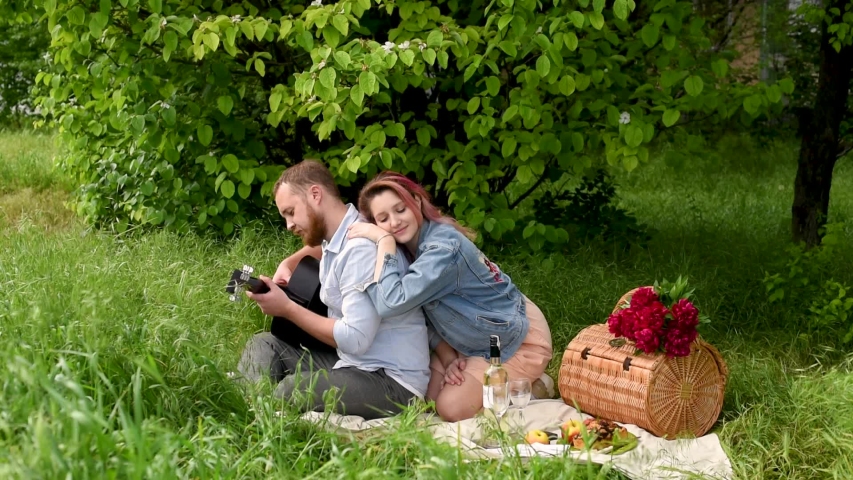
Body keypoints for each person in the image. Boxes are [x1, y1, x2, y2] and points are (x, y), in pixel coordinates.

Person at [347, 171, 554, 422]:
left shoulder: (440, 249)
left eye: (400, 209)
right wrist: (448, 357)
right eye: (383, 219)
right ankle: (484, 374)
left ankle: (534, 386)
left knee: (450, 408)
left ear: (417, 200)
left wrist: (383, 241)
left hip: (515, 336)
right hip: (476, 330)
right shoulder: (412, 244)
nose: (394, 222)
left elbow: (390, 303)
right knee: (427, 397)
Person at [236, 160, 431, 420]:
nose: (289, 224)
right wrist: (288, 264)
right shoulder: (337, 237)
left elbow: (355, 339)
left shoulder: (360, 248)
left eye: (291, 212)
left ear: (315, 195)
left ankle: (254, 413)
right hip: (352, 364)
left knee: (290, 389)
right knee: (264, 345)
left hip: (390, 382)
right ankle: (248, 408)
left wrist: (287, 309)